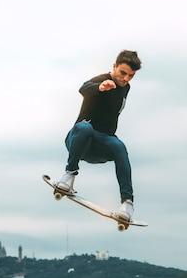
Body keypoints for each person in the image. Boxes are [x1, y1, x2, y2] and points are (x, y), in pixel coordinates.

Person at [56, 49, 142, 222]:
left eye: (130, 76)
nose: (125, 79)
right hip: (79, 140)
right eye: (122, 73)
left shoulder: (126, 88)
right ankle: (70, 174)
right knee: (85, 128)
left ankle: (128, 203)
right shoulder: (102, 80)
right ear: (114, 66)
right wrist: (100, 87)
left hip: (101, 145)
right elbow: (84, 88)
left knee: (119, 146)